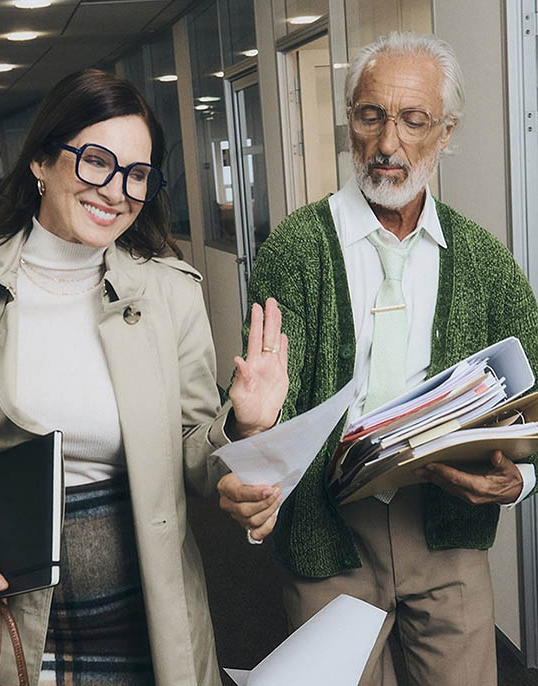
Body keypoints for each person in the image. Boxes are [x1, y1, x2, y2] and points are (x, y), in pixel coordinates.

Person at [0, 69, 288, 686]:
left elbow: (194, 459)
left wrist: (242, 426)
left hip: (144, 604)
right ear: (42, 161)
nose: (117, 190)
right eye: (96, 162)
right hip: (4, 605)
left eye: (137, 174)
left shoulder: (170, 295)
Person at [218, 32, 538, 686]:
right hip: (325, 533)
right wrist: (250, 433)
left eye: (414, 121)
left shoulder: (485, 262)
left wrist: (522, 481)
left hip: (447, 531)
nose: (388, 144)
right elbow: (265, 407)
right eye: (371, 116)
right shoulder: (294, 252)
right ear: (350, 123)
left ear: (445, 134)